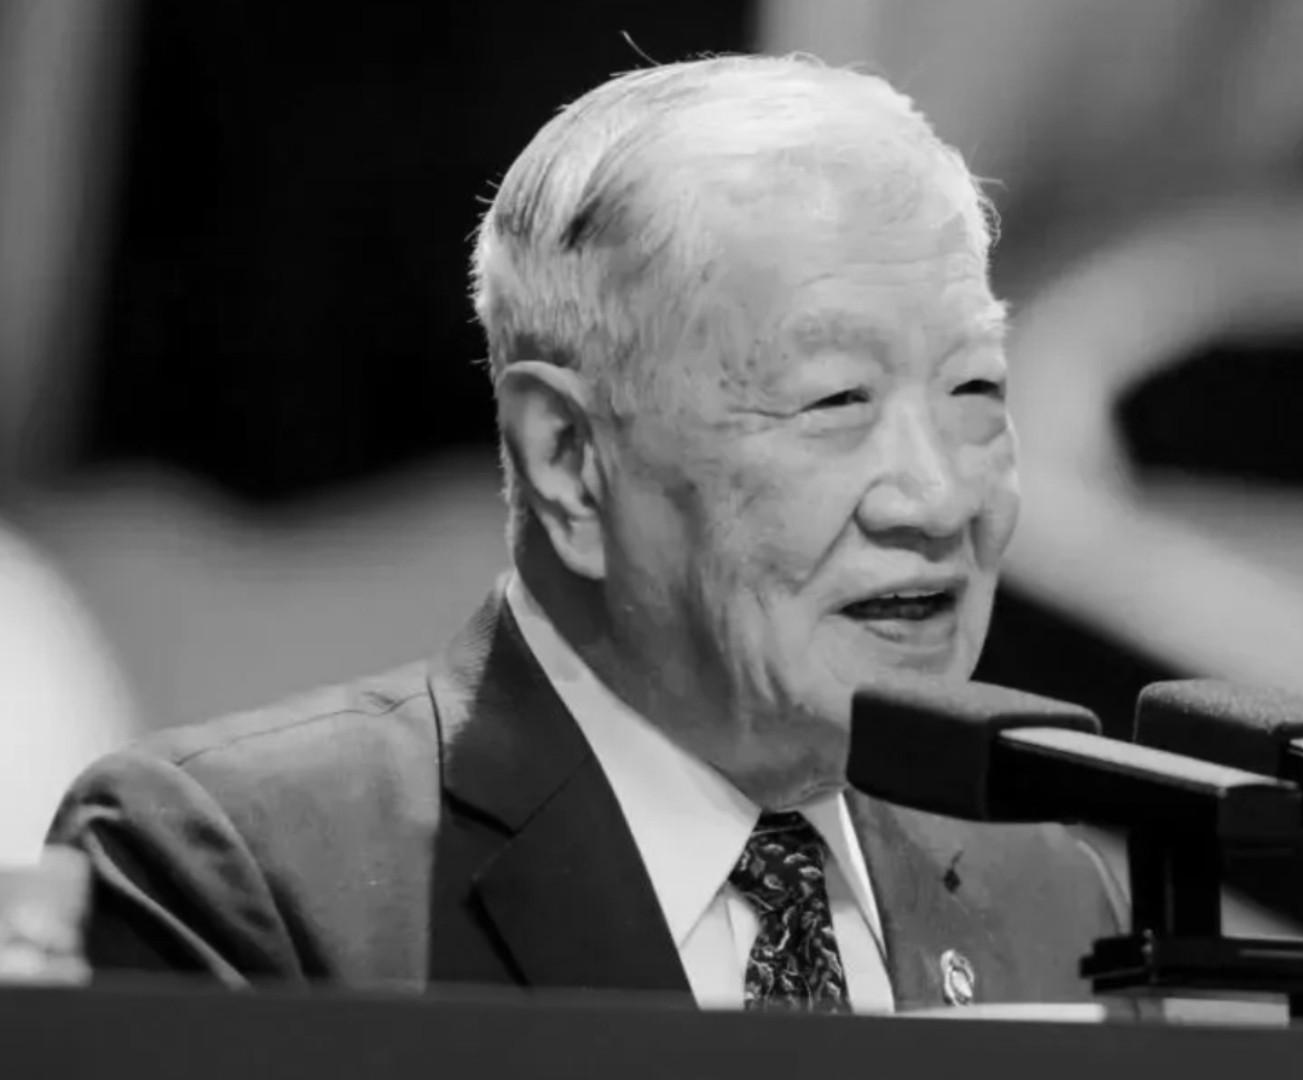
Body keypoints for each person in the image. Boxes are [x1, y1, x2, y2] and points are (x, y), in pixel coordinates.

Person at [46, 53, 1124, 1012]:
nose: (936, 498)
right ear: (568, 458)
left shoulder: (1046, 885)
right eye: (836, 399)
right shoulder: (240, 872)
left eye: (975, 389)